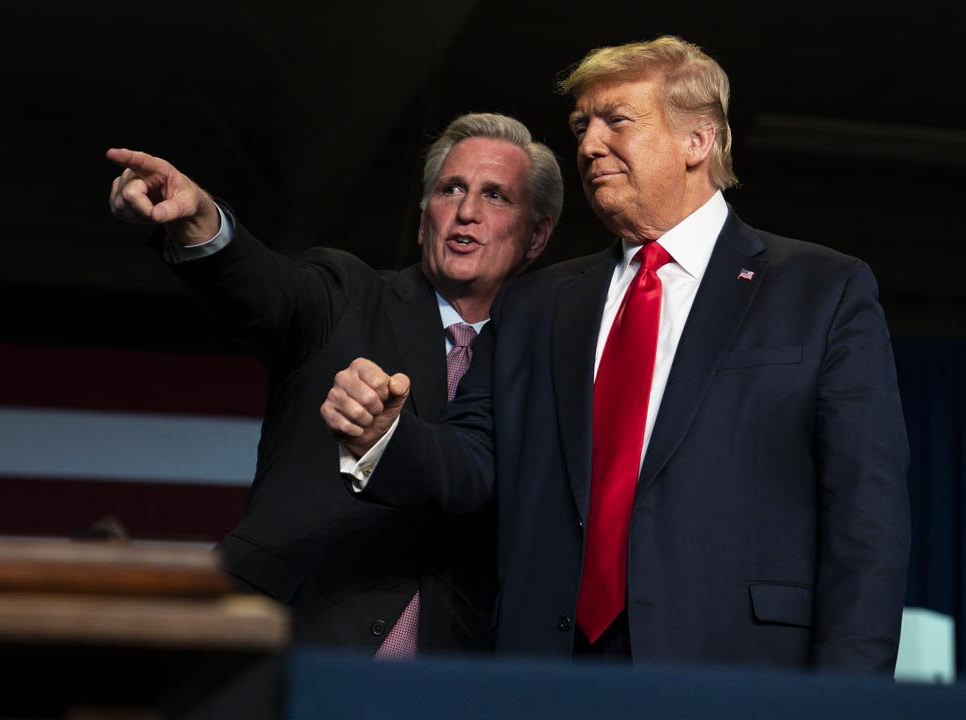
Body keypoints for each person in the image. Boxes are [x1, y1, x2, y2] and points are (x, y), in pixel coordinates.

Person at [324, 37, 910, 671]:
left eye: (617, 120)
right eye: (582, 125)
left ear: (699, 141)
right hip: (549, 669)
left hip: (734, 672)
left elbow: (866, 525)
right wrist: (385, 437)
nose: (588, 145)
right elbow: (474, 456)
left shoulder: (821, 290)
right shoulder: (536, 306)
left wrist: (851, 697)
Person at [107, 112, 563, 656]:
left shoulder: (550, 361)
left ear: (536, 235)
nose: (466, 212)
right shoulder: (344, 296)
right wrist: (199, 222)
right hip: (289, 644)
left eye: (496, 196)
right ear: (423, 220)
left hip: (450, 674)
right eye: (451, 189)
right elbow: (263, 289)